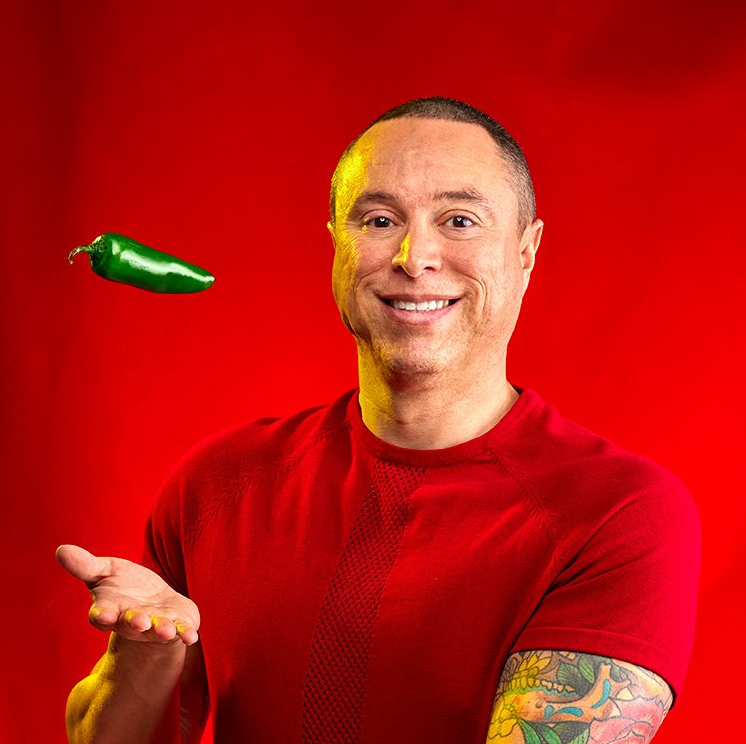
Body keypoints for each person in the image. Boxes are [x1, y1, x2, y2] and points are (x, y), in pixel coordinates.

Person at [58, 97, 701, 744]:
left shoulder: (619, 513)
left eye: (458, 220)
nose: (414, 255)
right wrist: (146, 655)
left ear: (526, 251)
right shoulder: (218, 482)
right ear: (336, 241)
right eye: (379, 219)